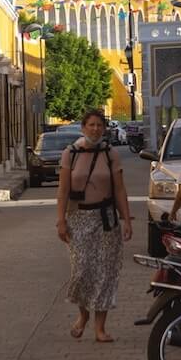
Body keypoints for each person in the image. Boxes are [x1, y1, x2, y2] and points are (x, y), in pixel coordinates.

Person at [56, 109, 133, 343]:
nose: (96, 129)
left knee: (105, 274)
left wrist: (126, 218)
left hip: (105, 219)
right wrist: (61, 220)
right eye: (91, 125)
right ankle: (83, 315)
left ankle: (100, 328)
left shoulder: (110, 154)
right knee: (81, 270)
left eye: (100, 125)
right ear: (83, 127)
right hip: (78, 218)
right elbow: (63, 190)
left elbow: (119, 189)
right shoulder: (71, 153)